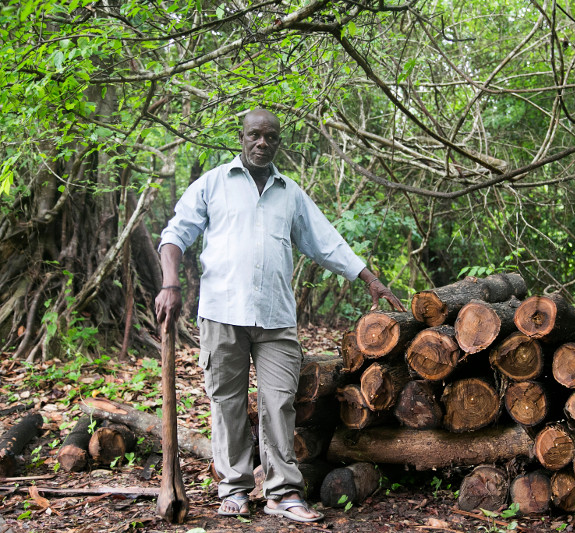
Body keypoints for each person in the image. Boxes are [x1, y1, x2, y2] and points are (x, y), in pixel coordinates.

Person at [154, 108, 405, 523]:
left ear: (279, 142)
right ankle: (234, 488)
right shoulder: (214, 184)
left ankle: (283, 493)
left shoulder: (289, 192)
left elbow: (327, 242)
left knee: (280, 402)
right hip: (221, 312)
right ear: (242, 137)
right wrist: (170, 284)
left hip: (275, 317)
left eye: (271, 137)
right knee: (227, 402)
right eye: (255, 135)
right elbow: (174, 235)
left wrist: (370, 279)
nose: (262, 143)